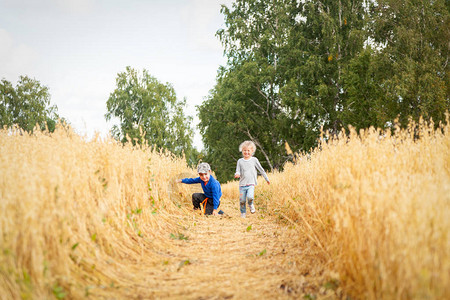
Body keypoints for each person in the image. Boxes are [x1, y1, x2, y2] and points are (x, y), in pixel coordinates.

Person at [234, 141, 270, 218]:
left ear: (252, 151)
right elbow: (237, 170)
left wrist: (266, 178)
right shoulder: (240, 161)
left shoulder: (254, 160)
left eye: (248, 150)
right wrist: (237, 174)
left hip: (251, 183)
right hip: (242, 184)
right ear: (242, 151)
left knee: (250, 197)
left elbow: (261, 170)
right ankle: (243, 213)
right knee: (242, 201)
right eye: (244, 150)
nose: (246, 152)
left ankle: (250, 204)